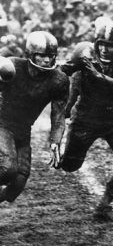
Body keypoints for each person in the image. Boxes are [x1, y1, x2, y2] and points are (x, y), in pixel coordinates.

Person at [59, 17, 113, 222]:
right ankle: (63, 149)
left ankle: (104, 207)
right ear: (96, 43)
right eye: (102, 44)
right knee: (70, 166)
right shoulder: (84, 52)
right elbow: (64, 73)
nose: (105, 50)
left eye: (110, 46)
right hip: (85, 117)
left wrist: (99, 77)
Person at [0, 31, 69, 203]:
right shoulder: (13, 66)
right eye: (42, 56)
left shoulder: (58, 80)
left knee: (19, 181)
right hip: (2, 124)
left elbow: (59, 115)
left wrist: (55, 140)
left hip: (23, 130)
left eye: (50, 56)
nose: (47, 60)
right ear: (30, 54)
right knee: (7, 169)